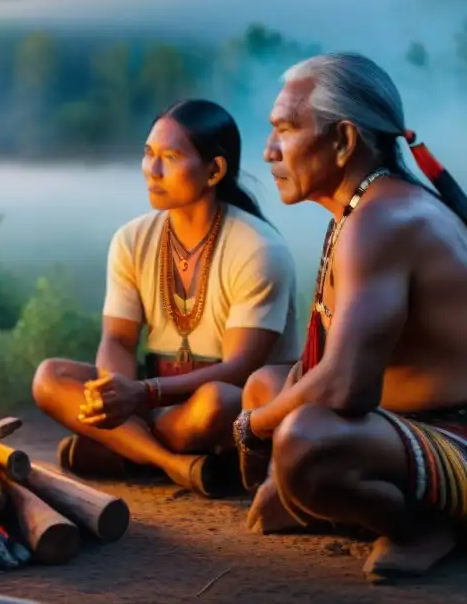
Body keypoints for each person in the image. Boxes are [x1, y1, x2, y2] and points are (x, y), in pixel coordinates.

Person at [235, 52, 467, 581]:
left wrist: (254, 430)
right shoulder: (363, 206)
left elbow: (345, 387)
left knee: (304, 440)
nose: (270, 151)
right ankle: (321, 496)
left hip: (455, 432)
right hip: (408, 417)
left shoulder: (381, 219)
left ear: (342, 141)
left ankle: (420, 526)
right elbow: (329, 358)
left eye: (286, 130)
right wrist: (265, 410)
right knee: (264, 385)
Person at [33, 99, 299, 497]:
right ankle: (173, 463)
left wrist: (140, 396)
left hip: (227, 403)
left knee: (216, 403)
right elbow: (119, 340)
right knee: (51, 378)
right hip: (153, 398)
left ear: (214, 170)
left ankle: (123, 449)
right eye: (148, 154)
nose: (152, 171)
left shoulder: (258, 248)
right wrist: (113, 389)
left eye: (170, 157)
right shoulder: (132, 239)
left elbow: (241, 368)